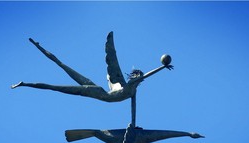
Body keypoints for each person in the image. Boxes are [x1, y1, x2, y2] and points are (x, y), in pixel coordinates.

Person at [11, 32, 173, 102]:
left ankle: (25, 83)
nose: (141, 78)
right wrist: (162, 68)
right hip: (100, 93)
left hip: (101, 92)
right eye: (139, 76)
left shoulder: (133, 89)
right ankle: (37, 49)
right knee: (61, 72)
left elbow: (134, 103)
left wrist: (133, 124)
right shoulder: (130, 84)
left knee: (59, 79)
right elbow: (147, 75)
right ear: (136, 77)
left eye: (140, 77)